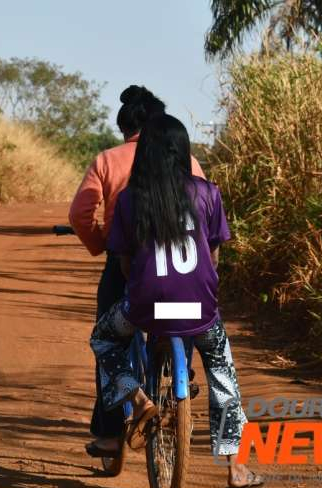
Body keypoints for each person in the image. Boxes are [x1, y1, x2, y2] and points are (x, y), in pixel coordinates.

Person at [90, 113, 264, 488]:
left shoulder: (131, 199)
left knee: (103, 338)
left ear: (145, 154)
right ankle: (236, 466)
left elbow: (124, 262)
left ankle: (137, 398)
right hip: (199, 310)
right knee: (222, 372)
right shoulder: (207, 193)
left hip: (146, 308)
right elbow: (213, 257)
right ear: (184, 151)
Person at [69, 86, 206, 457]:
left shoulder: (108, 160)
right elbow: (204, 210)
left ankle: (111, 432)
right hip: (181, 265)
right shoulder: (187, 160)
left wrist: (101, 243)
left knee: (109, 335)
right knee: (186, 319)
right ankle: (180, 379)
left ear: (125, 127)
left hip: (128, 263)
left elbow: (80, 214)